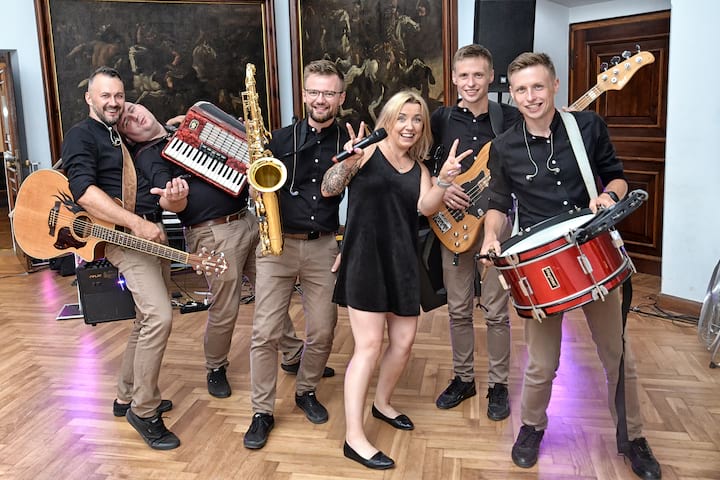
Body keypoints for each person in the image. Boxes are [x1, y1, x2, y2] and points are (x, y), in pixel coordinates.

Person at [479, 52, 661, 479]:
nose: (530, 97)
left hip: (593, 248)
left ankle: (633, 437)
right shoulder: (504, 146)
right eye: (521, 89)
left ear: (555, 85)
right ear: (512, 94)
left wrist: (609, 197)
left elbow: (617, 177)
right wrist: (490, 236)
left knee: (617, 354)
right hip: (541, 263)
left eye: (537, 86)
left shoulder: (587, 127)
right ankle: (531, 428)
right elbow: (498, 203)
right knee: (542, 363)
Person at [116, 102, 334, 400]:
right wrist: (174, 198)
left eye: (132, 108)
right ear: (128, 136)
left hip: (248, 220)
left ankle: (292, 352)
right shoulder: (148, 156)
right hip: (212, 233)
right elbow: (168, 198)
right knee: (226, 306)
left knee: (272, 293)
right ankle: (215, 366)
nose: (134, 116)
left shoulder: (181, 126)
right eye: (126, 121)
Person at [322, 90, 465, 470]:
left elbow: (425, 207)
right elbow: (329, 188)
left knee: (402, 344)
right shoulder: (367, 152)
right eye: (402, 117)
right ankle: (354, 438)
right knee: (369, 346)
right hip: (365, 260)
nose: (409, 125)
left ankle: (382, 403)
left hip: (402, 260)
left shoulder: (419, 170)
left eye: (417, 119)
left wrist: (443, 181)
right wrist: (349, 160)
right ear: (388, 120)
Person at [61, 66, 179, 450]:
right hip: (125, 237)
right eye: (105, 96)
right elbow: (82, 190)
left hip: (150, 233)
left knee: (146, 318)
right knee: (160, 316)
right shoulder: (82, 134)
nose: (114, 102)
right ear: (89, 98)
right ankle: (144, 411)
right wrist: (137, 224)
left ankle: (126, 396)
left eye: (119, 95)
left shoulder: (118, 135)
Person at [243, 59, 350, 450]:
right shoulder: (278, 139)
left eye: (329, 93)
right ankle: (262, 412)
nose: (321, 99)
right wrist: (255, 189)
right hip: (278, 244)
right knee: (264, 333)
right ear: (304, 94)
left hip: (323, 245)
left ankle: (306, 390)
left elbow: (363, 198)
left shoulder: (349, 142)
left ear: (341, 97)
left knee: (323, 330)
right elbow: (255, 186)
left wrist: (348, 245)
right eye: (315, 91)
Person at [428, 44, 521, 417]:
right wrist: (440, 185)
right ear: (453, 78)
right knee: (458, 308)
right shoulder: (439, 119)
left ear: (491, 77)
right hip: (452, 223)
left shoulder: (509, 118)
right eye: (464, 75)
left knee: (497, 310)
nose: (471, 82)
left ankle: (498, 385)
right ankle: (463, 378)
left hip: (496, 222)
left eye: (478, 75)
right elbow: (419, 163)